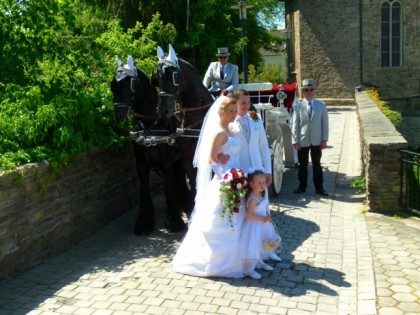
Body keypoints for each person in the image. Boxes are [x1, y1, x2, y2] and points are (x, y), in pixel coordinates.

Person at [171, 96, 246, 278]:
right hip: (226, 181)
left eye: (235, 112)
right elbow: (211, 160)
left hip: (236, 178)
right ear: (221, 112)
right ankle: (217, 262)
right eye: (230, 112)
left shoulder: (232, 130)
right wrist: (226, 179)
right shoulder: (219, 133)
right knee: (219, 219)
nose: (234, 115)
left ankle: (238, 259)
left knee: (237, 218)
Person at [227, 89, 282, 262]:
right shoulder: (229, 123)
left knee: (263, 210)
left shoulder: (255, 119)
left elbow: (264, 147)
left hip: (258, 171)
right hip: (240, 173)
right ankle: (246, 252)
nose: (246, 105)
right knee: (244, 211)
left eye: (248, 102)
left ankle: (267, 249)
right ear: (235, 103)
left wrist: (268, 170)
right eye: (242, 102)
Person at [292, 79, 329, 196]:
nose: (309, 92)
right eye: (306, 90)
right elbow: (295, 125)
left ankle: (319, 187)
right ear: (303, 91)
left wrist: (324, 139)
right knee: (302, 165)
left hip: (317, 140)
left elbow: (325, 124)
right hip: (303, 140)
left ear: (314, 90)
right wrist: (295, 141)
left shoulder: (321, 105)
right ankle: (301, 186)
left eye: (311, 89)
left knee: (317, 164)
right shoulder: (298, 106)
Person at [240, 169, 275, 280]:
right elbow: (249, 215)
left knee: (262, 243)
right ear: (251, 184)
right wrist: (262, 218)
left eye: (263, 182)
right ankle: (248, 269)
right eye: (259, 183)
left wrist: (268, 215)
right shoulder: (253, 199)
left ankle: (259, 262)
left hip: (263, 224)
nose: (262, 185)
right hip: (254, 226)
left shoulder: (260, 194)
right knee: (253, 245)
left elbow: (264, 207)